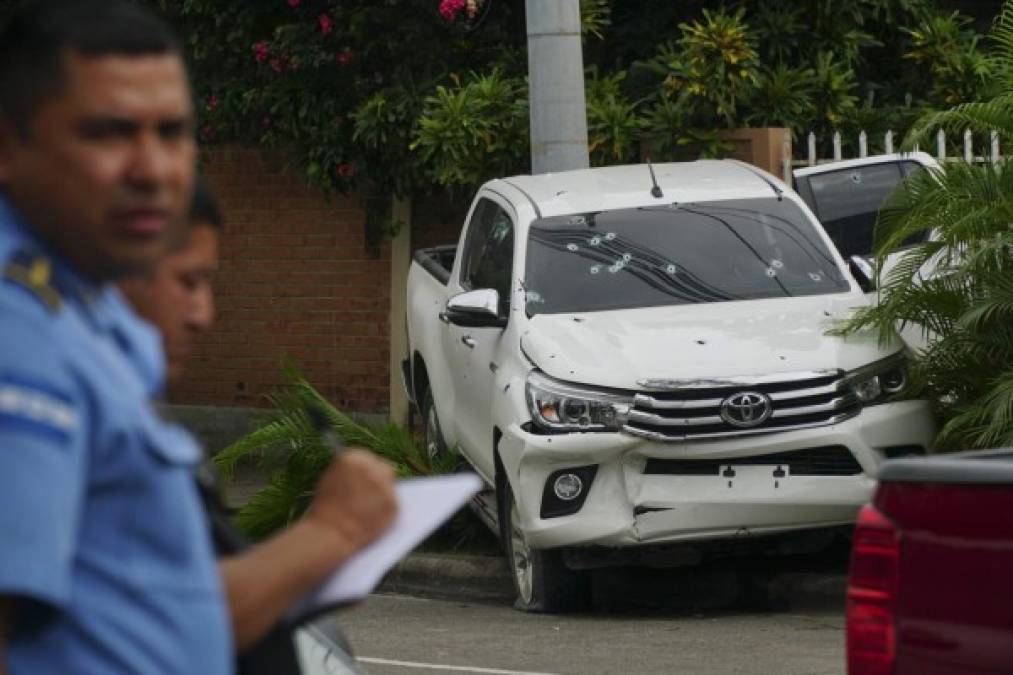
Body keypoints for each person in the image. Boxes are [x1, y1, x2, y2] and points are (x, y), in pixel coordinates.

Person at [0, 3, 397, 673]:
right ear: (11, 147)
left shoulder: (79, 308)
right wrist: (330, 533)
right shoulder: (23, 335)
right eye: (108, 133)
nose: (152, 169)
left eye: (173, 132)